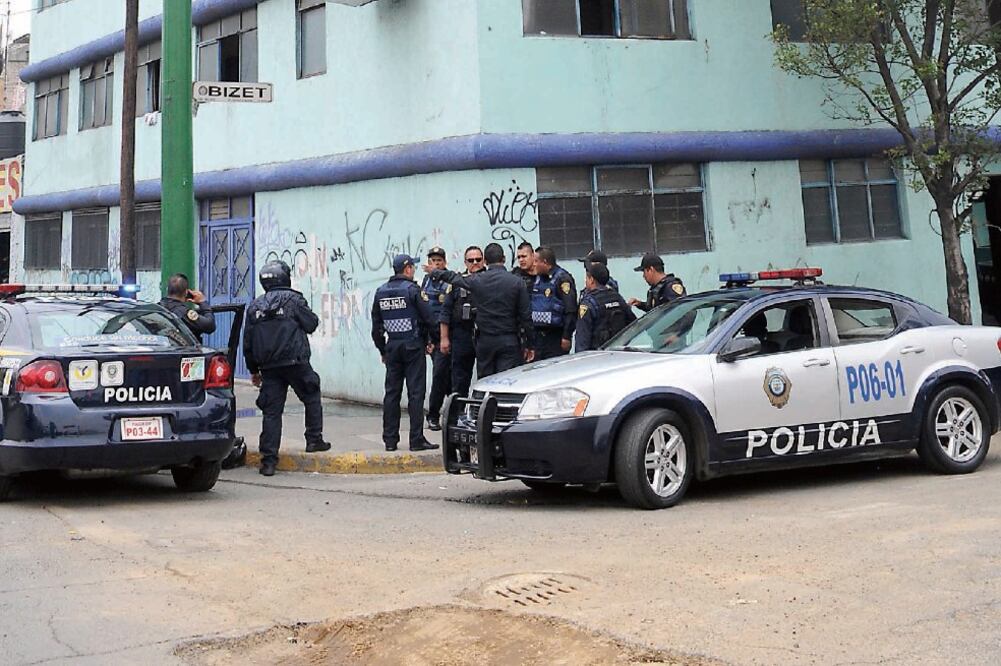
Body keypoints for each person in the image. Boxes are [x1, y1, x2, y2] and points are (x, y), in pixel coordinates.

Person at [243, 260, 330, 477]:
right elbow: (311, 324)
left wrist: (253, 370)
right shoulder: (294, 300)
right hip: (296, 362)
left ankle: (269, 461)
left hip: (270, 368)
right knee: (311, 396)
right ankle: (314, 440)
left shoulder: (255, 306)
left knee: (271, 412)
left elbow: (248, 343)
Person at [428, 242, 535, 377]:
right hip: (509, 340)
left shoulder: (477, 280)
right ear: (504, 259)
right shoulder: (517, 282)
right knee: (508, 380)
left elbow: (454, 278)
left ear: (485, 261)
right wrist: (530, 345)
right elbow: (526, 317)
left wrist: (435, 272)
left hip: (485, 341)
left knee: (486, 382)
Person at [372, 254, 439, 452]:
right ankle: (416, 439)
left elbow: (376, 328)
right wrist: (432, 341)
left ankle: (390, 440)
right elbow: (430, 319)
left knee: (392, 393)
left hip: (393, 346)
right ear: (407, 268)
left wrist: (383, 350)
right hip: (413, 346)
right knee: (415, 393)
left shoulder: (380, 292)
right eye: (413, 267)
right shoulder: (412, 290)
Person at [439, 245, 484, 399]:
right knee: (459, 379)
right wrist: (444, 338)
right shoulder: (457, 282)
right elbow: (445, 311)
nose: (475, 263)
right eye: (471, 260)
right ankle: (457, 416)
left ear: (484, 260)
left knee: (485, 378)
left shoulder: (489, 280)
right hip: (462, 335)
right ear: (465, 262)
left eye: (478, 259)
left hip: (485, 335)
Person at [421, 246, 451, 431]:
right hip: (433, 338)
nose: (436, 263)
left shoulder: (449, 281)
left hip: (448, 337)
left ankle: (440, 413)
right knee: (440, 376)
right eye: (433, 260)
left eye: (439, 260)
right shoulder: (426, 281)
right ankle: (433, 415)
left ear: (444, 262)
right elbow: (423, 311)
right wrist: (427, 340)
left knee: (446, 377)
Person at [530, 246, 577, 360]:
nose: (534, 264)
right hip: (539, 338)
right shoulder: (538, 279)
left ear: (545, 262)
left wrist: (566, 336)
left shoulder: (562, 279)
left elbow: (570, 309)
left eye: (536, 261)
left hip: (556, 337)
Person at [576, 263, 636, 352]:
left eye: (587, 278)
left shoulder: (588, 303)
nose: (585, 281)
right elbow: (633, 325)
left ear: (591, 279)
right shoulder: (617, 297)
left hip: (596, 356)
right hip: (618, 353)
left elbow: (582, 338)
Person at [159, 273, 216, 342]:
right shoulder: (184, 313)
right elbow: (210, 326)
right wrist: (203, 302)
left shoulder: (156, 309)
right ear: (186, 292)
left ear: (167, 289)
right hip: (185, 351)